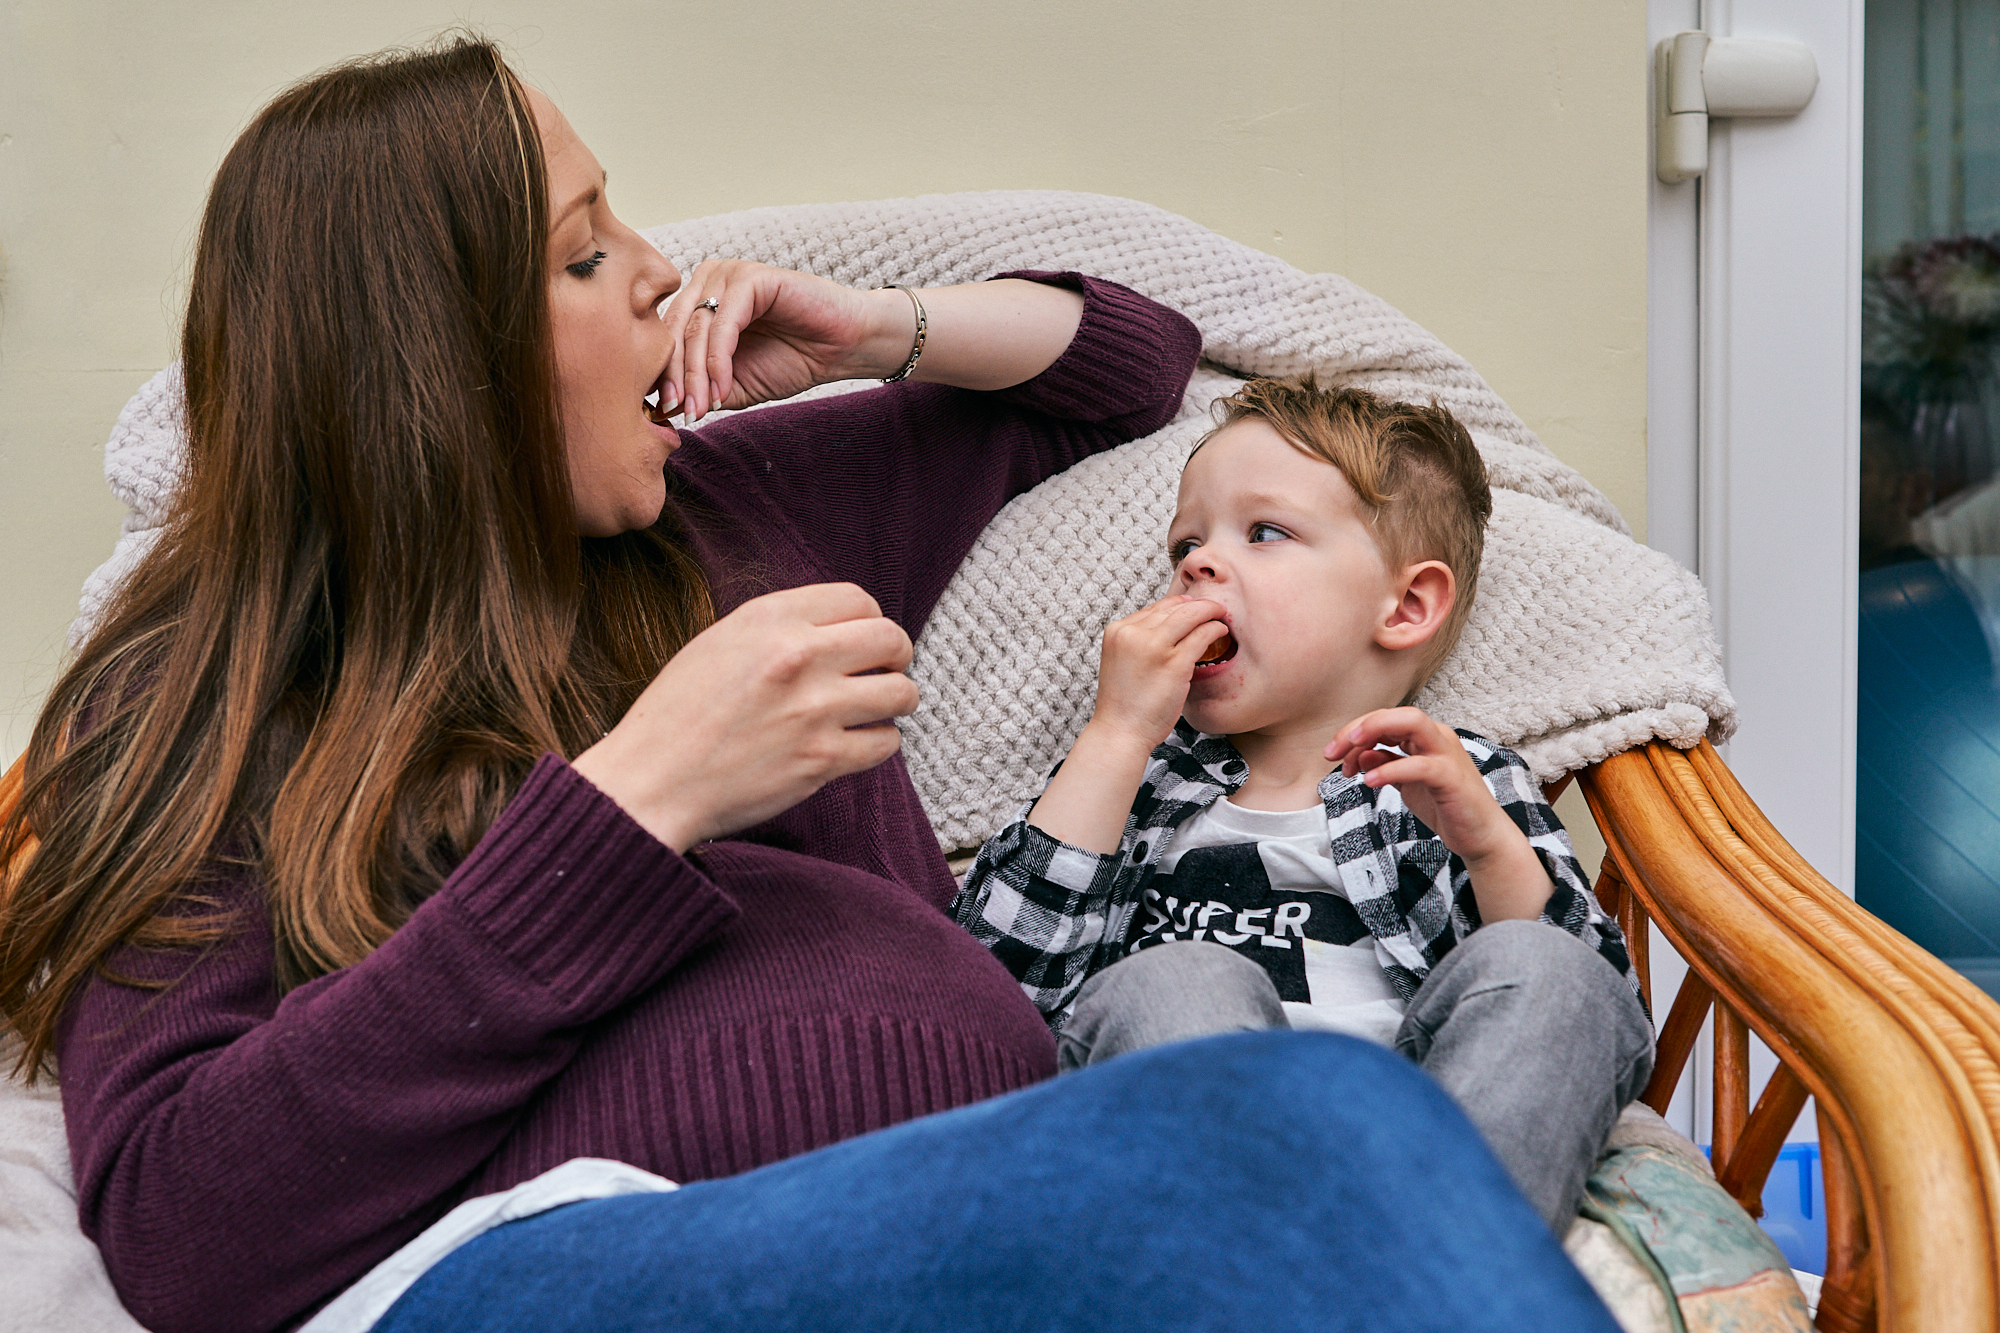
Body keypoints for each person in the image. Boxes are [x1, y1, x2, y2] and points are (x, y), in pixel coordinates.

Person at [0, 38, 1621, 1333]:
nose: (657, 271)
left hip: (962, 1213)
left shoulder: (735, 514)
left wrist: (878, 330)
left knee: (1306, 1137)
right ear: (432, 360)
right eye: (583, 254)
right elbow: (182, 1232)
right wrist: (642, 801)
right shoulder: (181, 694)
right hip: (543, 1267)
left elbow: (1128, 368)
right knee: (1309, 1126)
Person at [954, 378, 1657, 1230]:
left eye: (1264, 532)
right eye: (1188, 541)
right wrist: (1113, 734)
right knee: (1180, 981)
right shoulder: (1138, 775)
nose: (1197, 564)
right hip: (1198, 1170)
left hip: (1408, 1161)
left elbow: (1593, 1011)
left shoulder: (1454, 779)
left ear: (1404, 605)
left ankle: (1442, 1272)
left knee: (1554, 974)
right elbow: (989, 996)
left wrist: (1488, 848)